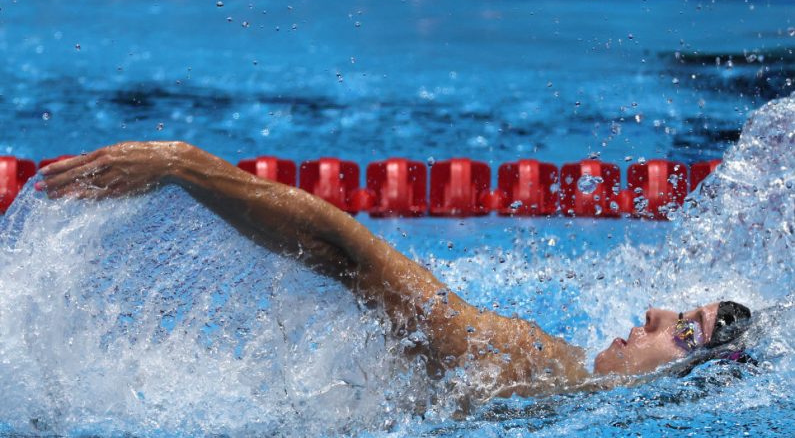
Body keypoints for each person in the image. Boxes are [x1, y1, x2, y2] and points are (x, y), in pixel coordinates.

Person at [35, 141, 753, 399]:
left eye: (683, 334)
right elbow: (359, 263)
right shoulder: (524, 365)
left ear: (685, 389)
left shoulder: (534, 380)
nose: (656, 310)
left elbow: (353, 258)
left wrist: (182, 163)